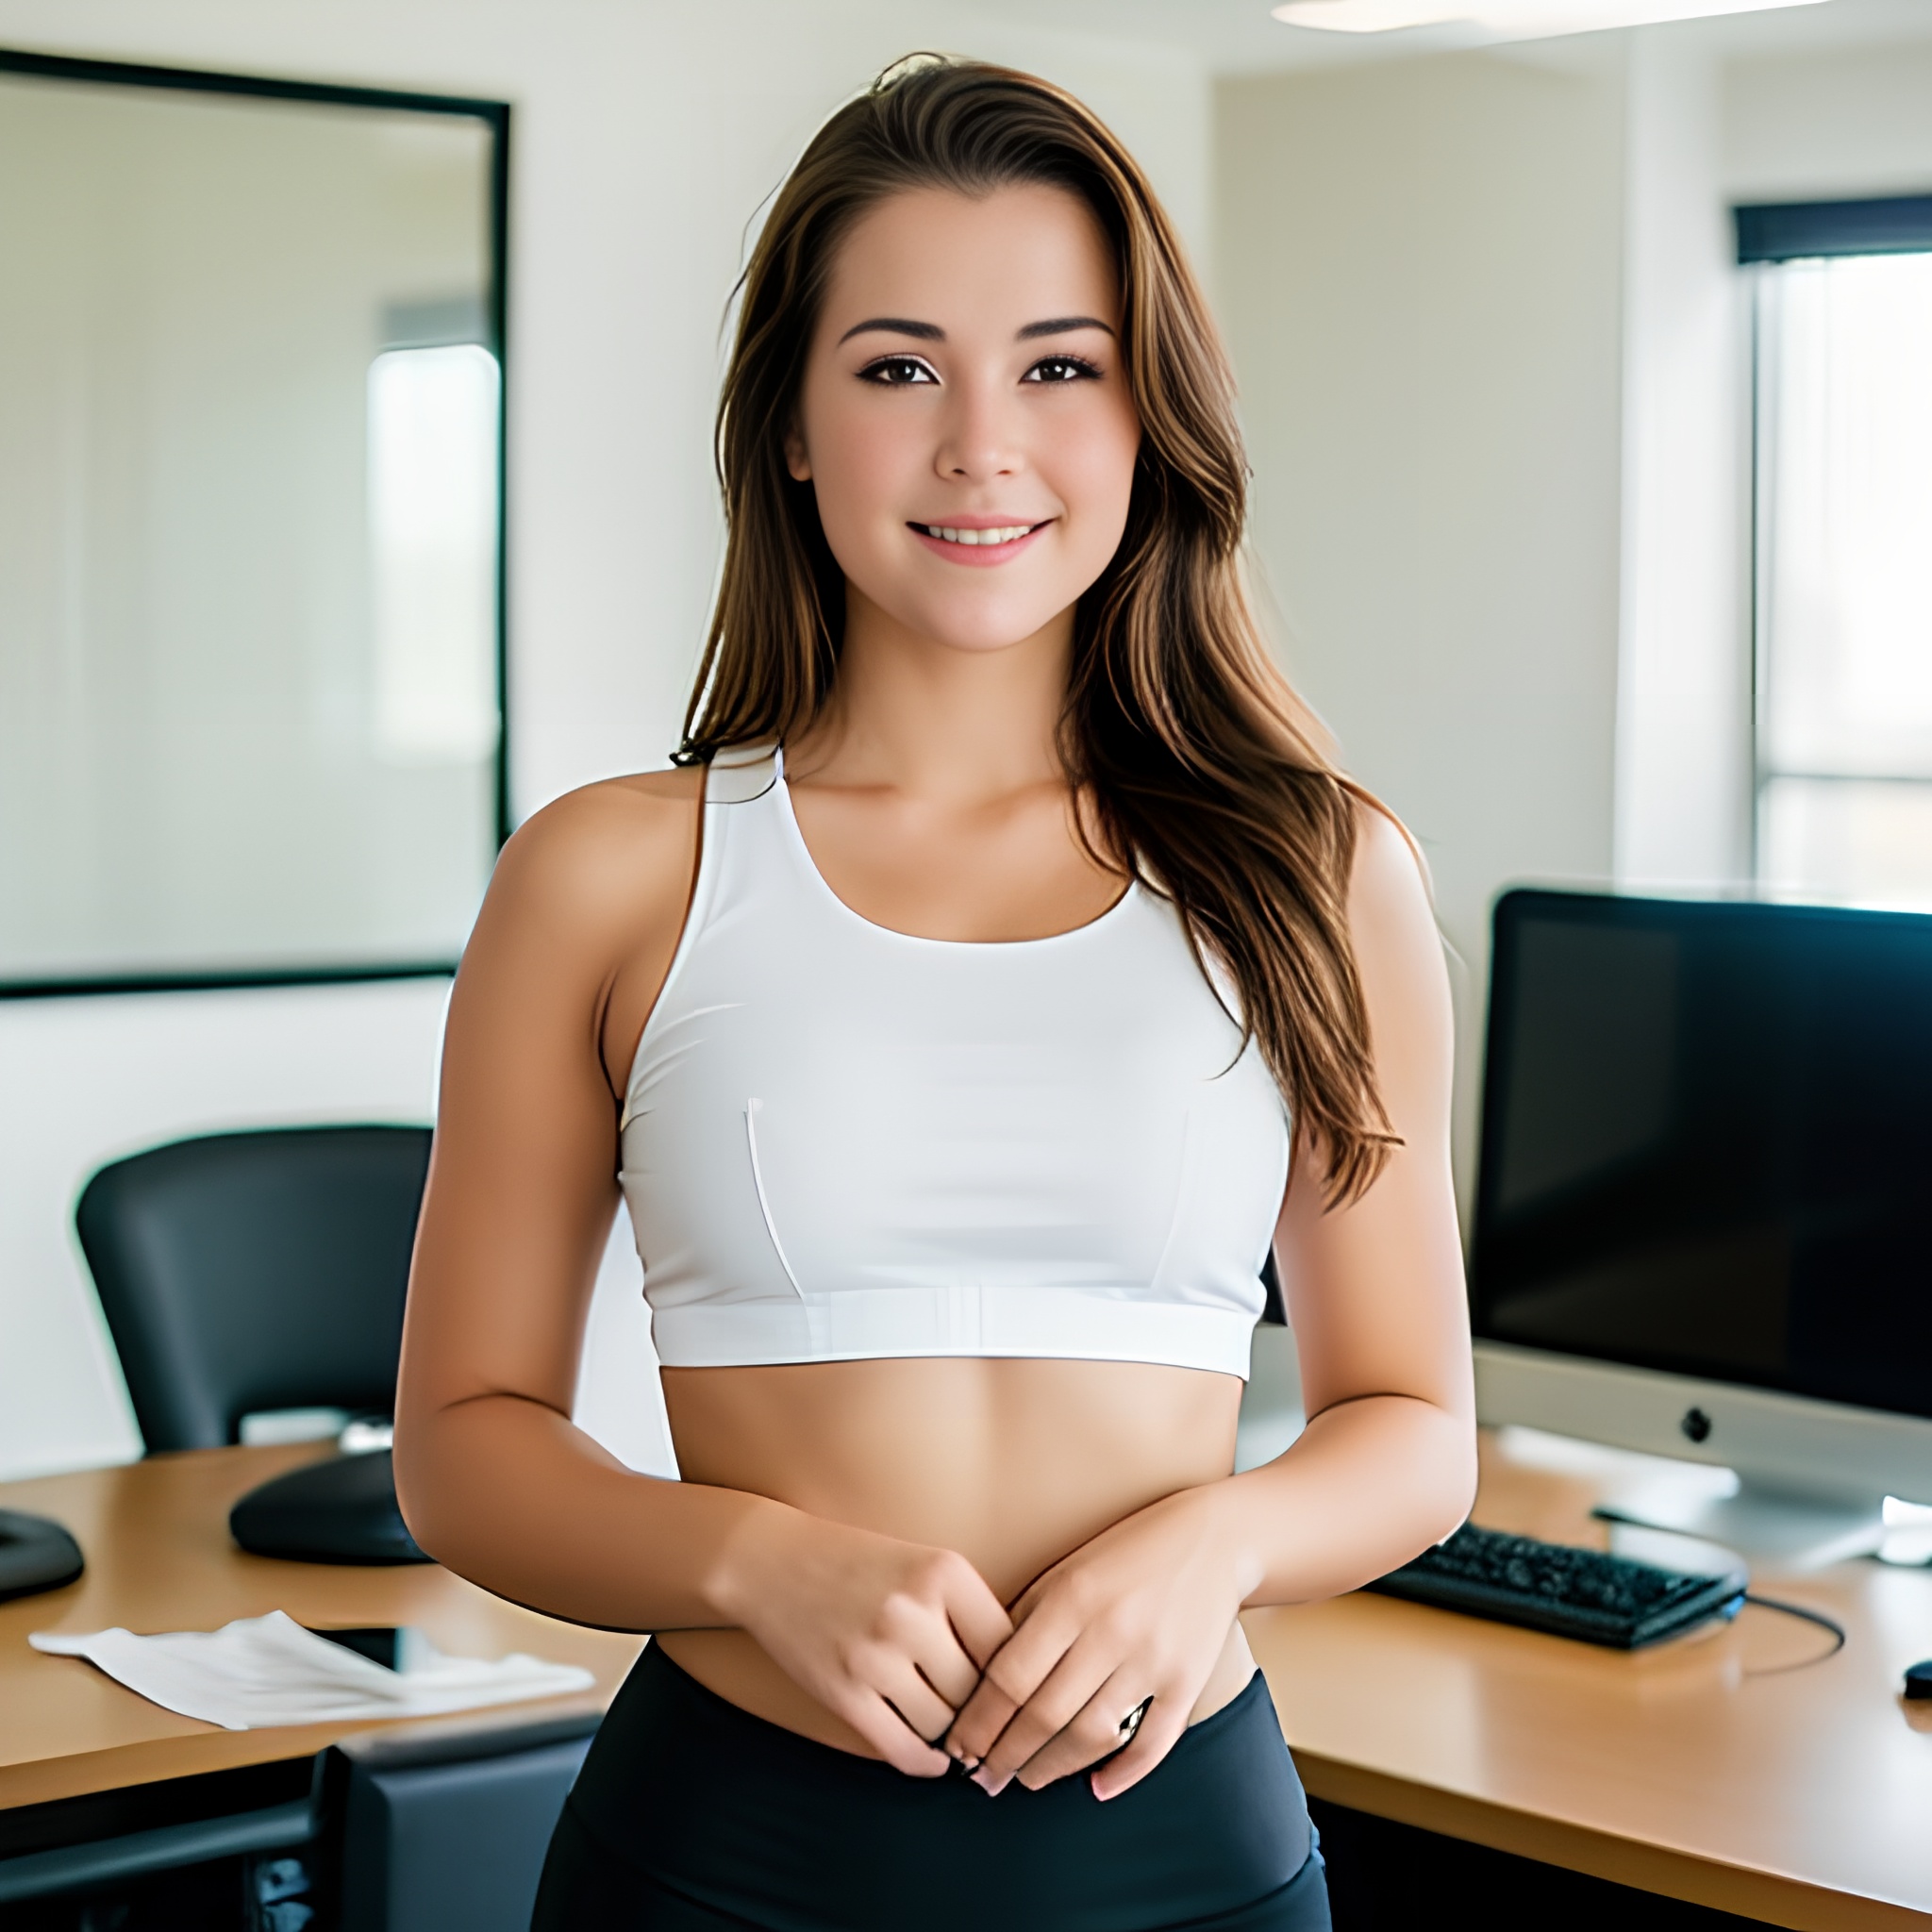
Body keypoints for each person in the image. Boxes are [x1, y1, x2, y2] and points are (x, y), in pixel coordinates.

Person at [394, 56, 1474, 1932]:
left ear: (1146, 417)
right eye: (899, 367)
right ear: (795, 427)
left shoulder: (1319, 867)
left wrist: (1214, 1544)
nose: (982, 442)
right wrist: (750, 1561)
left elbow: (1409, 1421)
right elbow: (466, 1441)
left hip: (1187, 1858)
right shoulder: (610, 873)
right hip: (726, 1856)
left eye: (1058, 364)